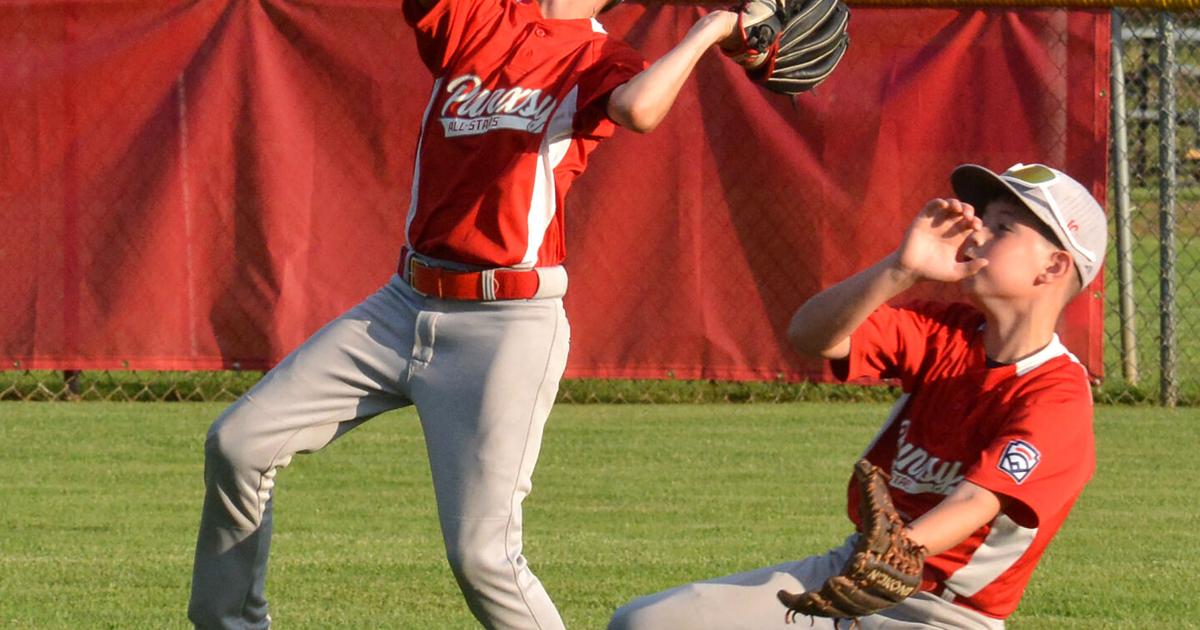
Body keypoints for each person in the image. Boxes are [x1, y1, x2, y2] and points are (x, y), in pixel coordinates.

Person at [185, 0, 741, 627]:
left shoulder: (599, 56)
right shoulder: (480, 19)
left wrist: (711, 28)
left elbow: (638, 110)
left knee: (483, 556)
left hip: (507, 325)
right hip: (401, 307)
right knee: (239, 443)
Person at [608, 162, 1108, 630]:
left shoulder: (1057, 395)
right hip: (848, 570)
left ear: (1054, 266)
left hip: (942, 614)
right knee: (645, 623)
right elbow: (811, 335)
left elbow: (977, 500)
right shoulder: (945, 332)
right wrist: (900, 269)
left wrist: (898, 551)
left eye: (1002, 227)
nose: (977, 232)